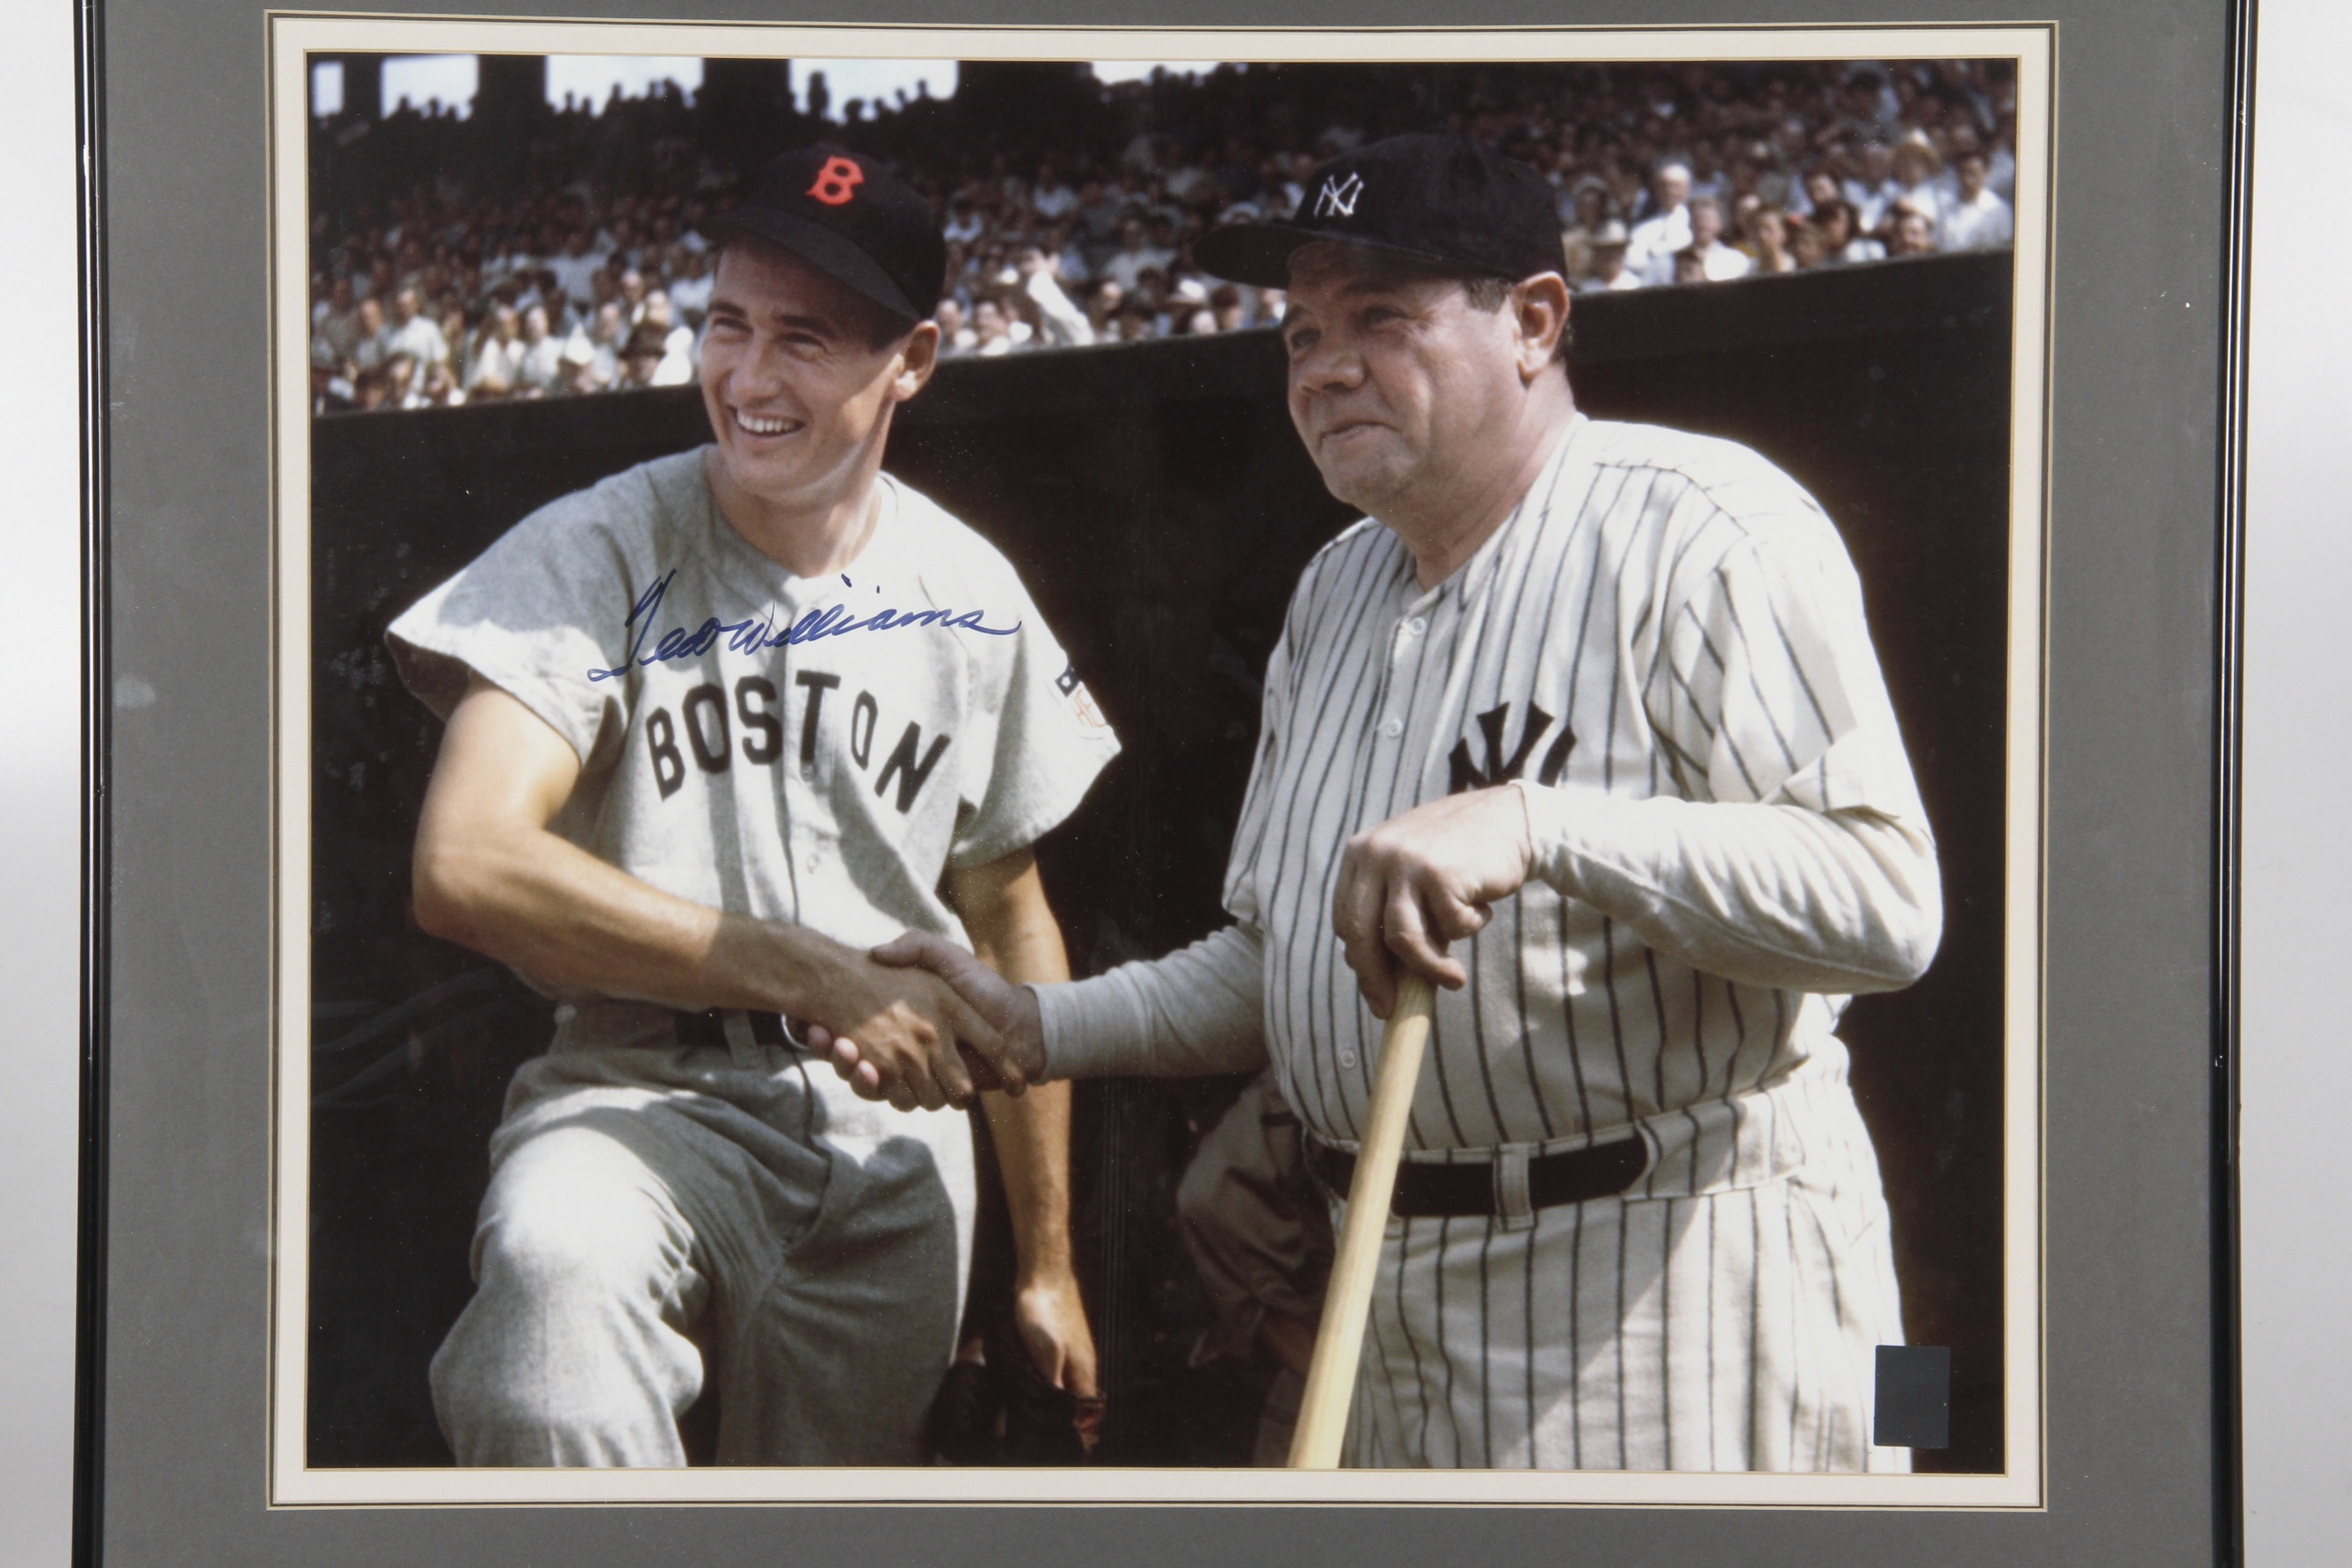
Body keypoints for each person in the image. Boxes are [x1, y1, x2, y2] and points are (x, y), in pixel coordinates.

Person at [835, 132, 1939, 1473]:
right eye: (1300, 335)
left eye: (1381, 319)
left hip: (1674, 1265)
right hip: (1391, 1277)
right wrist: (1038, 1024)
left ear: (1533, 322)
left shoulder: (1707, 528)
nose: (1326, 365)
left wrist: (1542, 824)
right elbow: (1276, 959)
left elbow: (1886, 905)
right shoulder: (1337, 588)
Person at [384, 146, 1117, 1467]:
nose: (750, 378)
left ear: (915, 360)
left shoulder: (971, 586)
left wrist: (1047, 1265)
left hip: (896, 1146)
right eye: (728, 324)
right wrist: (810, 972)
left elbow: (1010, 924)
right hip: (640, 1088)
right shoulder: (600, 543)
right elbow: (467, 860)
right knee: (550, 1311)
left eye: (808, 338)